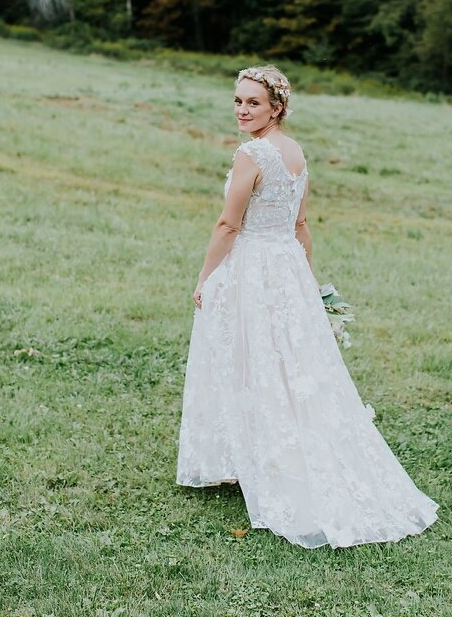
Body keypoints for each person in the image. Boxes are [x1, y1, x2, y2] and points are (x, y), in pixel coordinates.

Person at [177, 65, 438, 548]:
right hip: (286, 265)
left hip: (253, 265)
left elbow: (227, 225)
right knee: (287, 366)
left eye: (252, 103)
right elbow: (301, 224)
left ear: (276, 107)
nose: (241, 110)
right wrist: (305, 279)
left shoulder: (251, 154)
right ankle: (255, 456)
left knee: (250, 360)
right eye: (237, 101)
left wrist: (205, 277)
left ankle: (263, 461)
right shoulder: (295, 153)